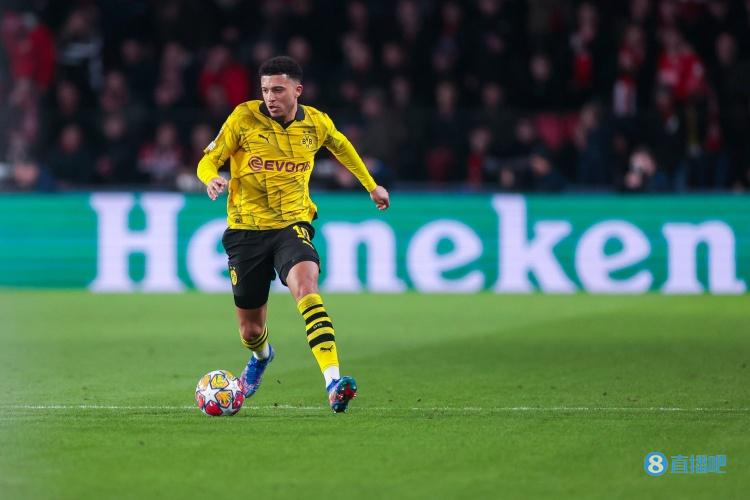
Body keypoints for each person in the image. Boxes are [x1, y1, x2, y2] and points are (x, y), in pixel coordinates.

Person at [196, 56, 390, 413]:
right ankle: (261, 355)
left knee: (306, 287)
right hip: (246, 229)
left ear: (297, 90)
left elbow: (342, 147)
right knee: (251, 331)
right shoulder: (243, 118)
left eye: (278, 90)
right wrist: (211, 179)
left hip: (292, 224)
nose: (270, 97)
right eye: (265, 90)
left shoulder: (316, 123)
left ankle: (333, 382)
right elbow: (208, 159)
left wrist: (371, 186)